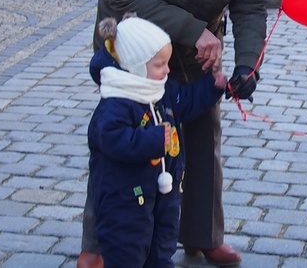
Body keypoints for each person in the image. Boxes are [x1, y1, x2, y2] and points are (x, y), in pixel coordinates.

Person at [78, 0, 267, 268]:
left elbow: (250, 6)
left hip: (199, 53)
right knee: (123, 148)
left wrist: (247, 66)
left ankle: (202, 235)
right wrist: (193, 29)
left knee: (202, 139)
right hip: (135, 51)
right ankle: (96, 245)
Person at [88, 14, 227, 267]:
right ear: (137, 66)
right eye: (160, 64)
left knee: (162, 248)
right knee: (127, 253)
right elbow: (112, 139)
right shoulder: (116, 103)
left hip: (164, 196)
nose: (167, 69)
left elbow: (185, 102)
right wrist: (153, 140)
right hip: (125, 202)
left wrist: (213, 87)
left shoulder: (161, 90)